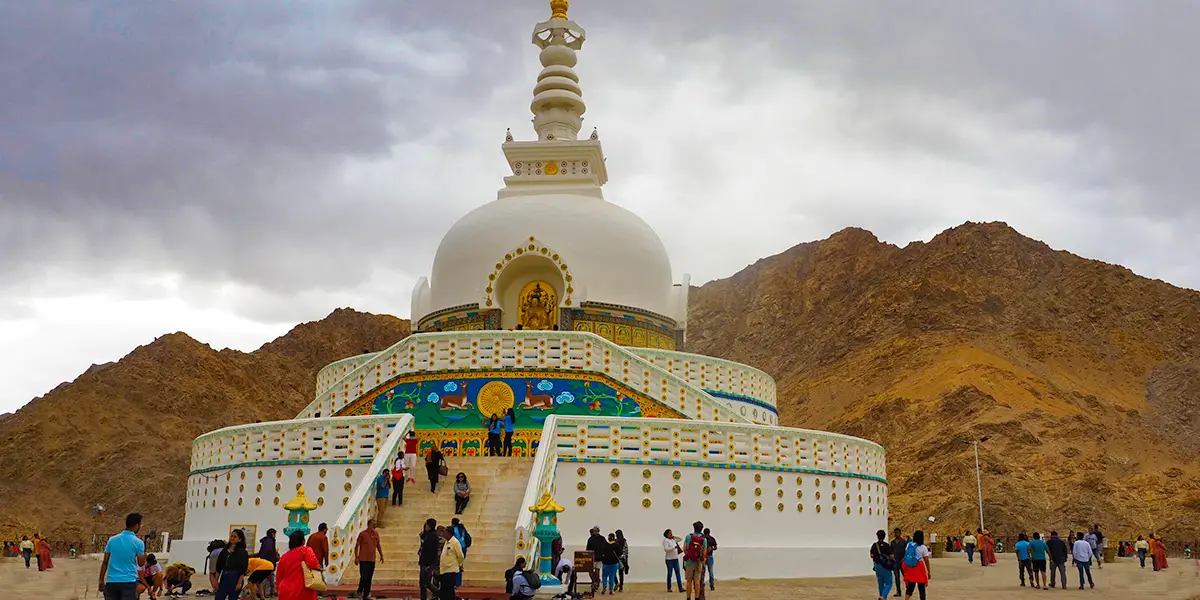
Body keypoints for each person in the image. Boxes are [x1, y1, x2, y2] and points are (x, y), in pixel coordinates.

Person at [99, 513, 148, 600]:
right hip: (129, 582)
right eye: (140, 524)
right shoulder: (139, 542)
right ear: (137, 525)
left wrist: (101, 580)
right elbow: (141, 563)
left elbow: (105, 562)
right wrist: (144, 553)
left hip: (112, 582)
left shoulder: (112, 540)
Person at [277, 530, 322, 600]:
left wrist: (279, 590)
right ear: (303, 541)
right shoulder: (306, 550)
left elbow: (279, 576)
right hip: (302, 589)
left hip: (285, 590)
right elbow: (314, 564)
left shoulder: (284, 556)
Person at [214, 529, 249, 600]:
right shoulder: (224, 551)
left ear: (240, 539)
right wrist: (216, 580)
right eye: (231, 536)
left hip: (235, 578)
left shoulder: (242, 552)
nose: (232, 538)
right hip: (224, 577)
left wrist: (239, 583)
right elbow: (218, 567)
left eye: (235, 537)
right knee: (219, 597)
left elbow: (243, 569)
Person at [355, 518, 385, 600]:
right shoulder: (362, 534)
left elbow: (378, 545)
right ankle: (359, 591)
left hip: (372, 559)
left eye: (375, 524)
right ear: (369, 525)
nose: (374, 526)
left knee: (369, 578)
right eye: (373, 524)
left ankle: (366, 594)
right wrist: (356, 557)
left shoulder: (376, 534)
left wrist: (381, 555)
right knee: (364, 577)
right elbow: (357, 545)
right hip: (363, 559)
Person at [900, 530, 931, 600]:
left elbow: (906, 555)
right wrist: (928, 572)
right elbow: (926, 560)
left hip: (910, 567)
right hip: (919, 567)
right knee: (921, 588)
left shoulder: (909, 545)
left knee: (910, 587)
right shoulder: (923, 547)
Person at [682, 521, 708, 600]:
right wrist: (701, 560)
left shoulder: (688, 537)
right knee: (697, 581)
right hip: (698, 563)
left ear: (694, 528)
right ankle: (696, 598)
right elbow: (704, 552)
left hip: (689, 562)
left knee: (689, 581)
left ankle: (688, 598)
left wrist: (689, 555)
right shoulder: (704, 539)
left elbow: (684, 549)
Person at [439, 524, 466, 600]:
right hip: (444, 570)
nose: (443, 534)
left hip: (451, 570)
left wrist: (460, 565)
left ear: (449, 533)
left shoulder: (455, 542)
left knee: (449, 591)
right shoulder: (446, 542)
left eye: (445, 532)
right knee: (444, 591)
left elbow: (460, 556)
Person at [870, 529, 895, 600]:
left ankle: (882, 596)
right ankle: (883, 596)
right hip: (885, 566)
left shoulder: (874, 545)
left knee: (880, 582)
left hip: (877, 565)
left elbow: (871, 555)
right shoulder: (887, 545)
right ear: (884, 536)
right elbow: (892, 555)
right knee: (889, 583)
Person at [419, 519, 441, 600]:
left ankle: (440, 594)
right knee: (423, 583)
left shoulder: (432, 536)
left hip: (427, 563)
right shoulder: (427, 535)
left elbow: (430, 551)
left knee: (426, 582)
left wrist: (428, 564)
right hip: (424, 562)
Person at [256, 529, 280, 597]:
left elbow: (261, 553)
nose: (275, 536)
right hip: (269, 564)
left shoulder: (265, 541)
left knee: (266, 579)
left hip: (263, 563)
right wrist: (275, 558)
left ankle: (267, 592)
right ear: (272, 534)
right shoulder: (270, 541)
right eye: (275, 534)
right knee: (268, 579)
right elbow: (269, 553)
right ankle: (266, 593)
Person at [661, 528, 684, 593]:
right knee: (670, 574)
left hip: (675, 559)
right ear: (666, 534)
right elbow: (666, 549)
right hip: (669, 560)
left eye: (671, 533)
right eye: (670, 533)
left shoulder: (673, 539)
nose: (671, 534)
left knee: (678, 573)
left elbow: (680, 539)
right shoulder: (666, 540)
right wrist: (674, 547)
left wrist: (674, 536)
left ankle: (680, 588)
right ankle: (669, 588)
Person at [451, 518, 471, 586]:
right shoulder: (462, 528)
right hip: (464, 548)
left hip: (457, 548)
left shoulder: (453, 529)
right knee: (460, 565)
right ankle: (458, 582)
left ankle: (455, 582)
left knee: (455, 565)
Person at [889, 529, 907, 596]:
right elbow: (890, 552)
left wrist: (904, 558)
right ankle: (898, 591)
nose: (896, 534)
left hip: (903, 562)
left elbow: (907, 552)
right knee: (897, 578)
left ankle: (908, 590)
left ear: (900, 533)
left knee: (905, 577)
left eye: (897, 533)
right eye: (895, 533)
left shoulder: (904, 542)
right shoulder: (892, 542)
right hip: (895, 563)